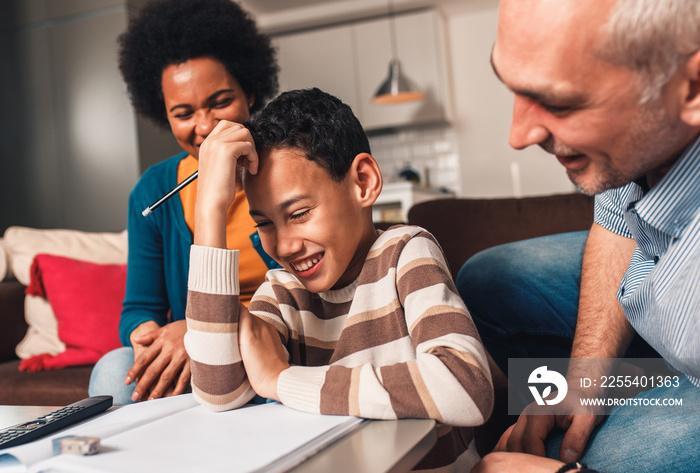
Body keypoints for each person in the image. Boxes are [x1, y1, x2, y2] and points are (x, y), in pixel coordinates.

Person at [184, 88, 494, 472]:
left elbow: (465, 385)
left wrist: (283, 381)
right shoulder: (283, 292)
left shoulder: (404, 253)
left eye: (298, 213)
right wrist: (209, 210)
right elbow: (217, 391)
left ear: (362, 182)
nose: (283, 245)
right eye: (264, 223)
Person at [457, 0, 700, 472]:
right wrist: (587, 377)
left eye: (559, 102)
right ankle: (651, 373)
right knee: (489, 280)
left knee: (572, 456)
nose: (518, 133)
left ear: (691, 89)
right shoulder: (648, 145)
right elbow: (615, 218)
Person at [88, 0, 279, 405]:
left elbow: (309, 293)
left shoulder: (287, 171)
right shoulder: (154, 191)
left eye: (220, 101)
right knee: (111, 370)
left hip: (272, 339)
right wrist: (147, 335)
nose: (205, 126)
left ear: (250, 90)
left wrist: (198, 329)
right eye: (183, 112)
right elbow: (139, 307)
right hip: (194, 352)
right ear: (164, 115)